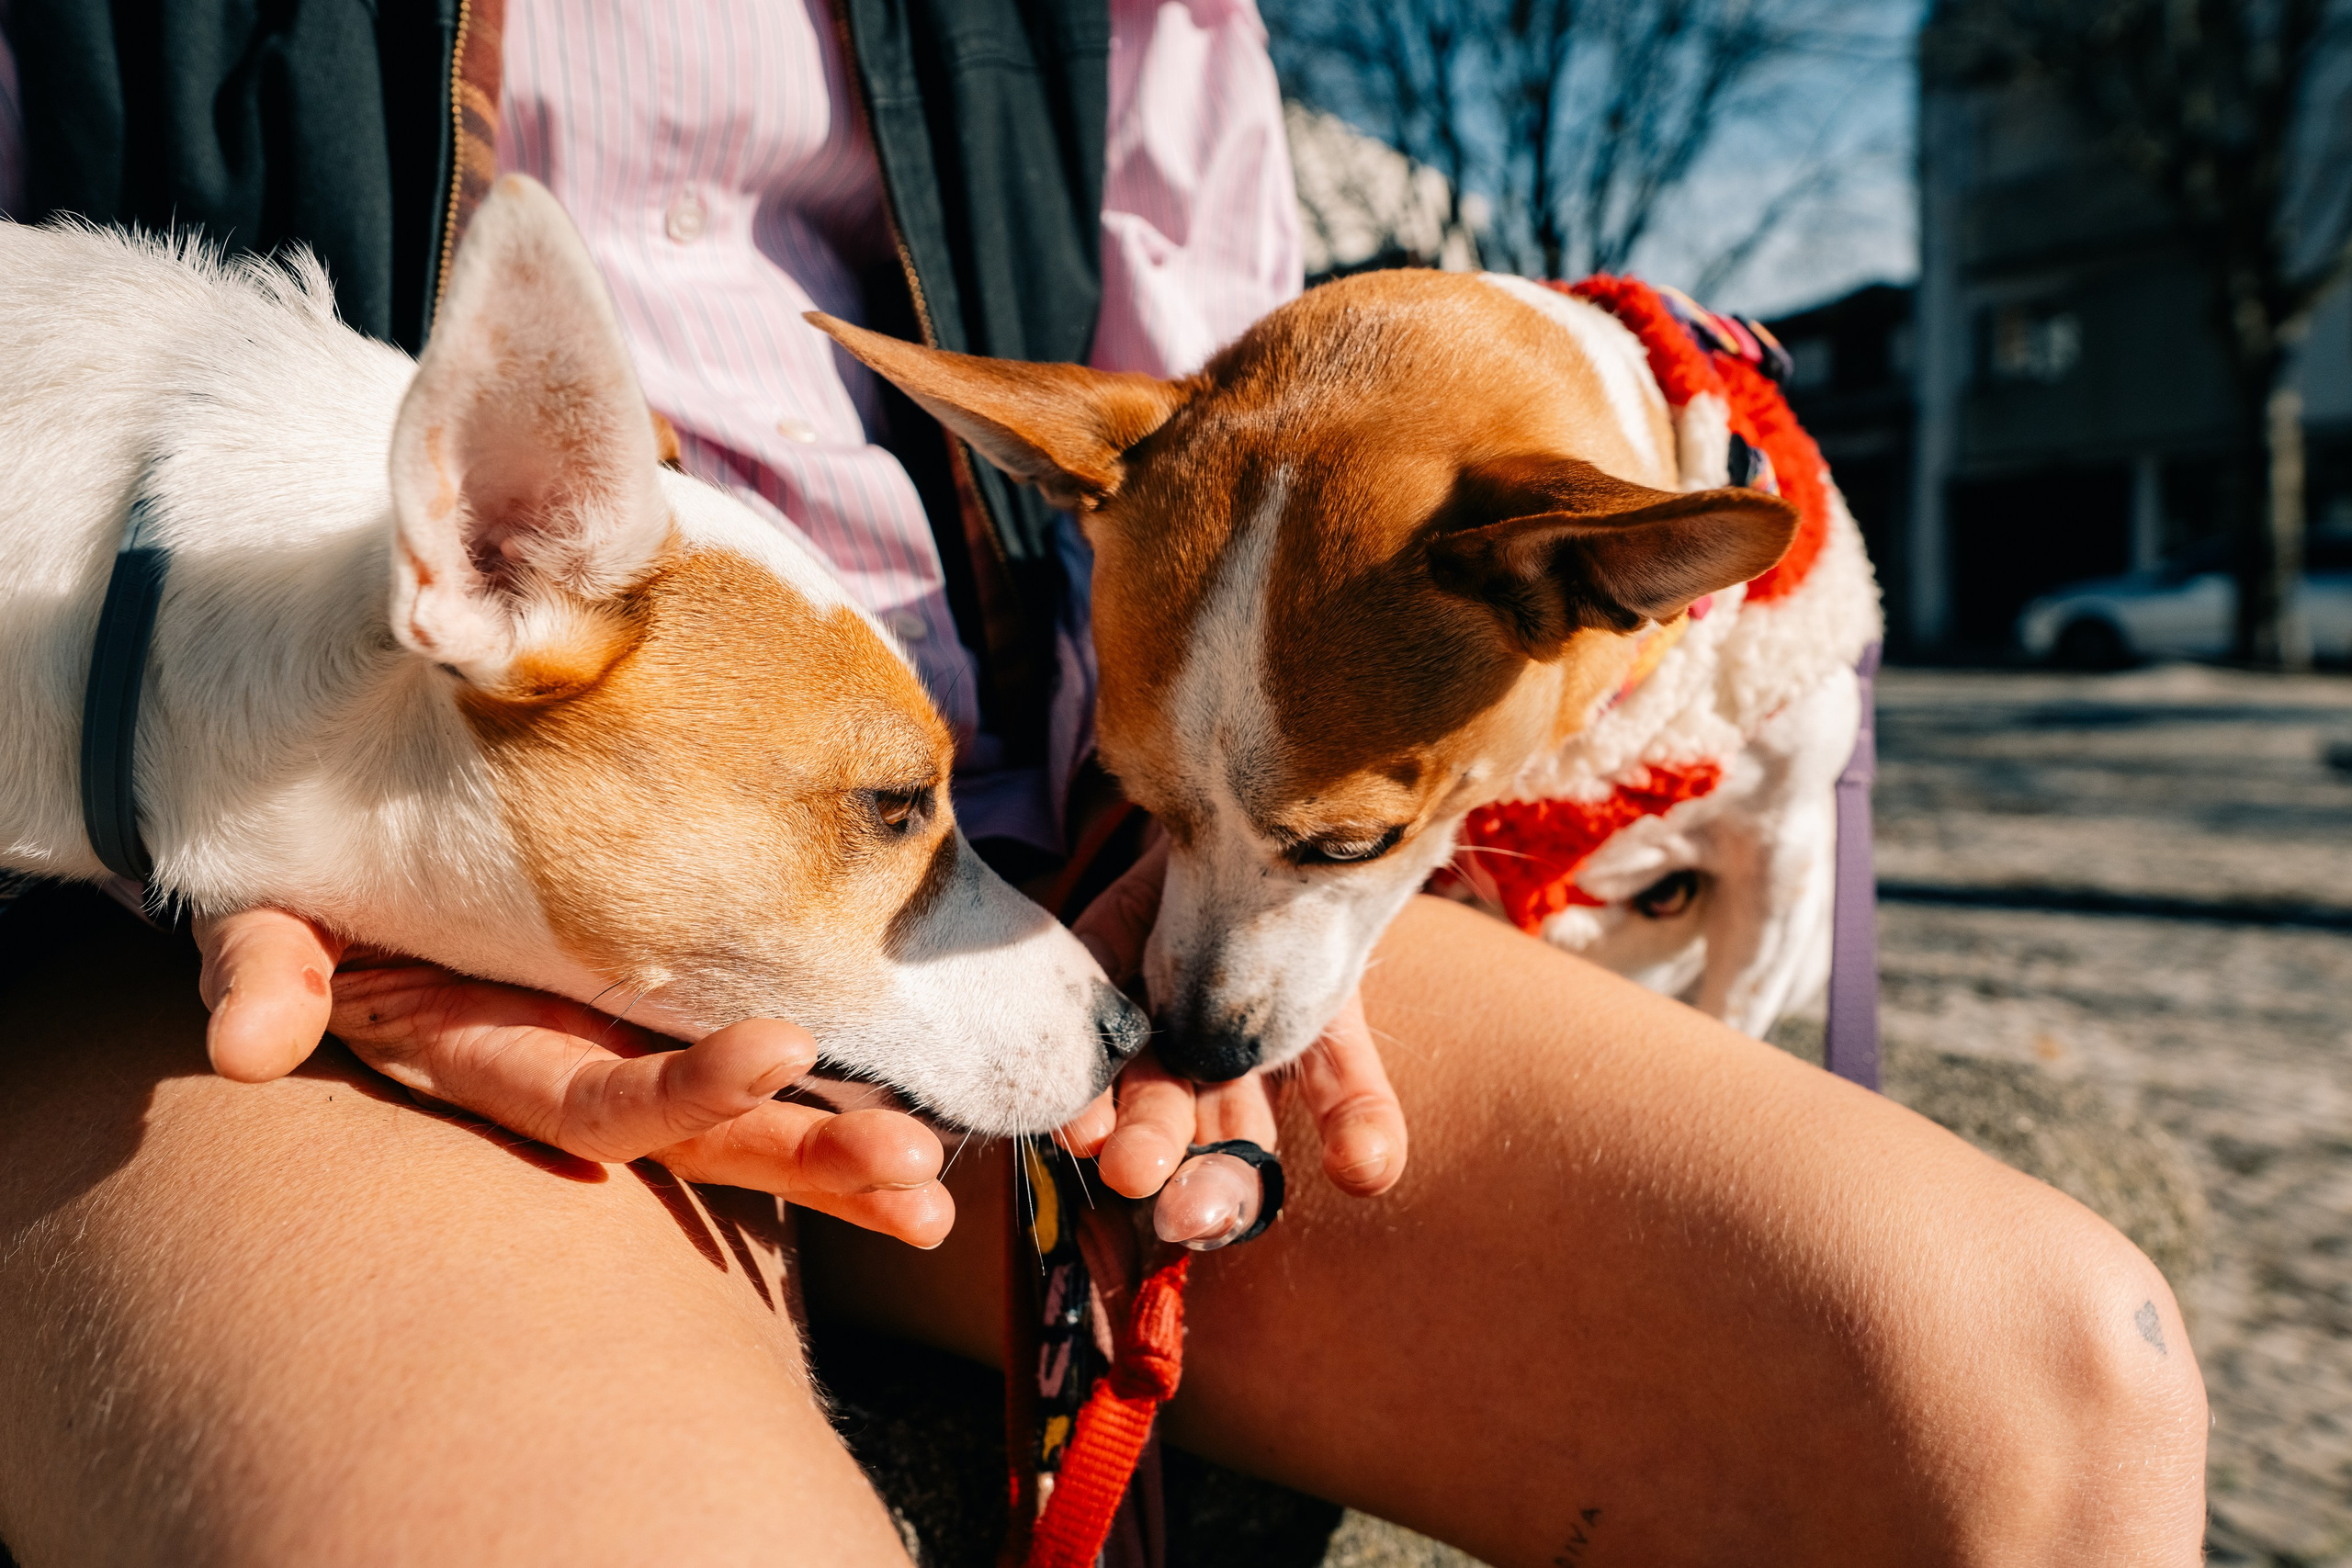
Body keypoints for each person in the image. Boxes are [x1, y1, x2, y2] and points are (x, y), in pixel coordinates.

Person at [0, 3, 2208, 1563]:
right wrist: (246, 812)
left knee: (2034, 1380)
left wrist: (1196, 830)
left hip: (1020, 798)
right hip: (264, 851)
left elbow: (1236, 410)